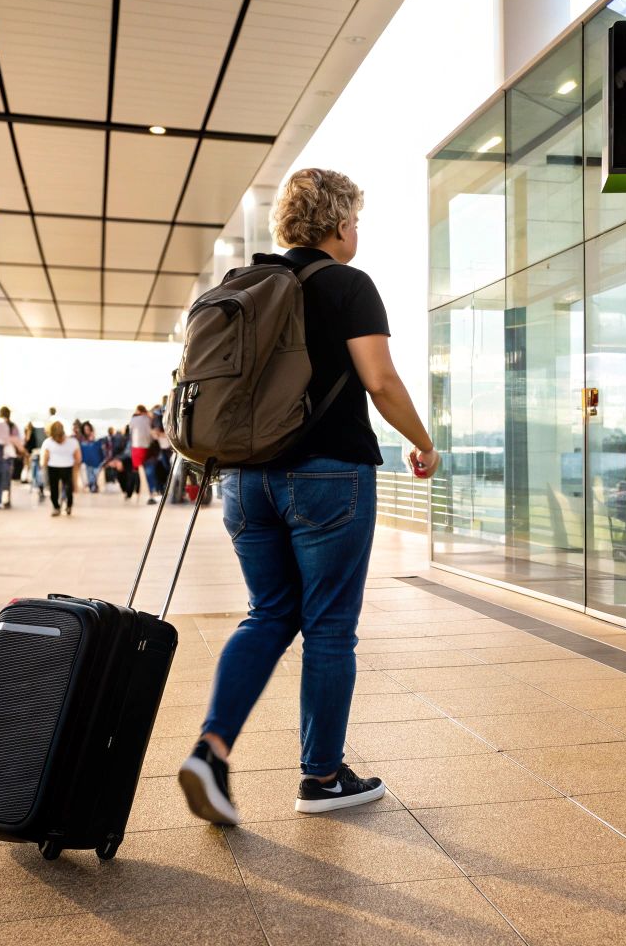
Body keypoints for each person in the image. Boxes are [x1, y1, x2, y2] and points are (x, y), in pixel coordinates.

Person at [178, 167, 440, 825]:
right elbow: (378, 380)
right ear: (340, 224)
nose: (357, 230)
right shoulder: (349, 285)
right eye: (355, 218)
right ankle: (321, 776)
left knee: (268, 612)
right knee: (329, 625)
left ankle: (211, 750)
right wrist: (422, 442)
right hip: (327, 478)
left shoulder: (238, 287)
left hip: (243, 480)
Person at [0, 406, 22, 509]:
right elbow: (16, 440)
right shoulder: (12, 426)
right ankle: (6, 499)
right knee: (6, 478)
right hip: (9, 455)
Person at [41, 420, 79, 517]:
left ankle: (56, 507)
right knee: (68, 488)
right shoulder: (72, 442)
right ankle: (68, 506)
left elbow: (45, 458)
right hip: (67, 467)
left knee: (54, 488)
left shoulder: (48, 442)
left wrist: (43, 468)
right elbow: (78, 458)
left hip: (53, 467)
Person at [128, 403, 156, 505]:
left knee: (139, 472)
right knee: (146, 472)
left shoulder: (134, 419)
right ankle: (149, 493)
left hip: (136, 447)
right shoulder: (149, 419)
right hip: (146, 447)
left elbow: (130, 429)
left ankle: (141, 494)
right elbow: (151, 433)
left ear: (138, 411)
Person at [79, 421, 105, 493]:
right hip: (87, 462)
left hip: (97, 461)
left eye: (87, 429)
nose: (86, 431)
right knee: (90, 477)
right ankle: (92, 487)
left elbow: (100, 449)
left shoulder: (96, 439)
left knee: (95, 476)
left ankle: (94, 487)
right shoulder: (81, 440)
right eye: (85, 429)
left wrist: (102, 460)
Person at [24, 420, 46, 504]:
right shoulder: (39, 433)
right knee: (39, 472)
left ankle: (37, 486)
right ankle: (40, 487)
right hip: (40, 454)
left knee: (36, 472)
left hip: (35, 455)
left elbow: (28, 446)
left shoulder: (31, 434)